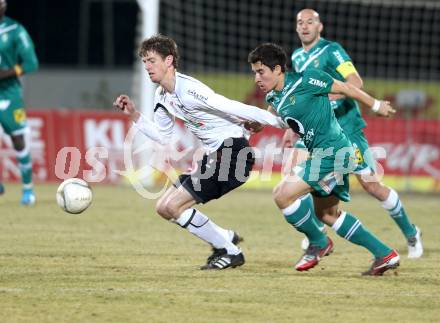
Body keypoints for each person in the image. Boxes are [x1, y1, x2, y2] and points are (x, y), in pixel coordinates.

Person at [113, 34, 284, 270]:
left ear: (169, 60)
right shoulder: (162, 96)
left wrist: (280, 121)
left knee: (174, 207)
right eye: (144, 62)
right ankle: (225, 237)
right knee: (163, 207)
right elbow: (163, 136)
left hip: (232, 155)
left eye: (152, 60)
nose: (147, 67)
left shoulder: (189, 90)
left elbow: (231, 106)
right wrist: (134, 115)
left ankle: (230, 251)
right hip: (216, 156)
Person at [248, 42, 400, 275]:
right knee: (326, 214)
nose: (257, 78)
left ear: (278, 69)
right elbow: (269, 116)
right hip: (327, 154)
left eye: (261, 72)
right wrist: (254, 124)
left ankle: (319, 242)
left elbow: (347, 88)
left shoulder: (308, 80)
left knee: (282, 194)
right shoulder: (275, 97)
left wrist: (376, 104)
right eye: (254, 73)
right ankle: (384, 254)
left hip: (333, 153)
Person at [286, 9, 422, 259]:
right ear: (296, 28)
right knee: (298, 174)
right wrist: (290, 128)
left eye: (310, 22)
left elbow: (355, 82)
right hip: (318, 132)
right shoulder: (296, 56)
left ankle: (411, 232)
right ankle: (316, 235)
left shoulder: (332, 50)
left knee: (372, 186)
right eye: (300, 23)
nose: (304, 26)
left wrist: (327, 96)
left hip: (346, 129)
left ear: (320, 26)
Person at [0, 0, 39, 205]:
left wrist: (7, 73)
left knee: (17, 140)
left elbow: (31, 62)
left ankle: (27, 190)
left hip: (9, 95)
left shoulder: (15, 30)